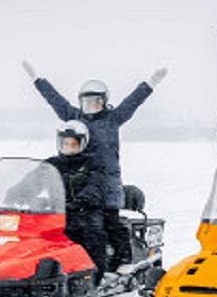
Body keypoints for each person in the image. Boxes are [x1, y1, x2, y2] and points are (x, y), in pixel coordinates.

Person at [23, 61, 167, 273]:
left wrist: (151, 83)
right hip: (80, 177)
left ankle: (123, 260)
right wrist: (37, 80)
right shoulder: (74, 118)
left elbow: (132, 102)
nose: (91, 106)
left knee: (111, 223)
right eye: (87, 102)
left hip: (107, 183)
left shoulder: (113, 118)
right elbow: (55, 100)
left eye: (96, 102)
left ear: (104, 102)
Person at [44, 120, 108, 285]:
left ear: (83, 144)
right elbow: (33, 180)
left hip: (86, 209)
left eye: (73, 144)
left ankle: (94, 276)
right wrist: (14, 193)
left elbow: (96, 184)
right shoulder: (52, 164)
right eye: (66, 144)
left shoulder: (93, 163)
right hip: (57, 210)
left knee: (92, 234)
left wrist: (83, 200)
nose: (69, 148)